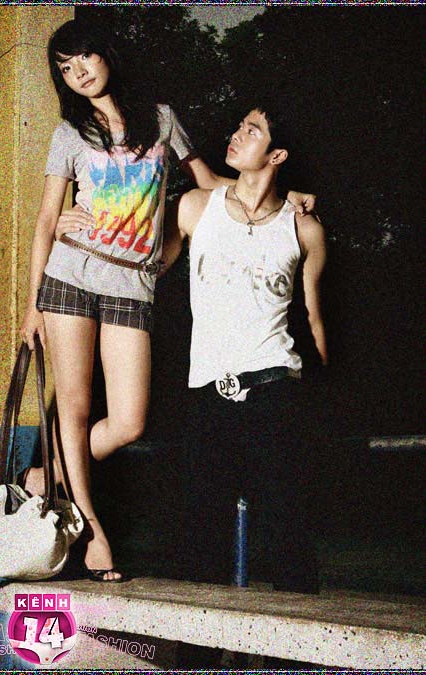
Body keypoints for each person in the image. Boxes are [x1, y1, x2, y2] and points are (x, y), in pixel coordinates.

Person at [19, 19, 315, 582]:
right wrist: (35, 302)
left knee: (129, 420)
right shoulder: (68, 133)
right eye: (65, 68)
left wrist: (285, 194)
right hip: (71, 278)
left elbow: (208, 184)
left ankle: (46, 476)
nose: (78, 73)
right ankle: (91, 529)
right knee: (74, 409)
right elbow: (45, 219)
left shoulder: (160, 120)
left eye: (84, 58)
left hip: (133, 284)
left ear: (107, 55)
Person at [162, 103, 327, 591]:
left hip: (276, 388)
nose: (236, 135)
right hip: (208, 391)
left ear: (277, 154)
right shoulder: (196, 207)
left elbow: (315, 320)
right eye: (238, 126)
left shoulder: (304, 228)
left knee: (289, 544)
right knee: (199, 549)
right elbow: (144, 270)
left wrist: (323, 399)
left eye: (251, 131)